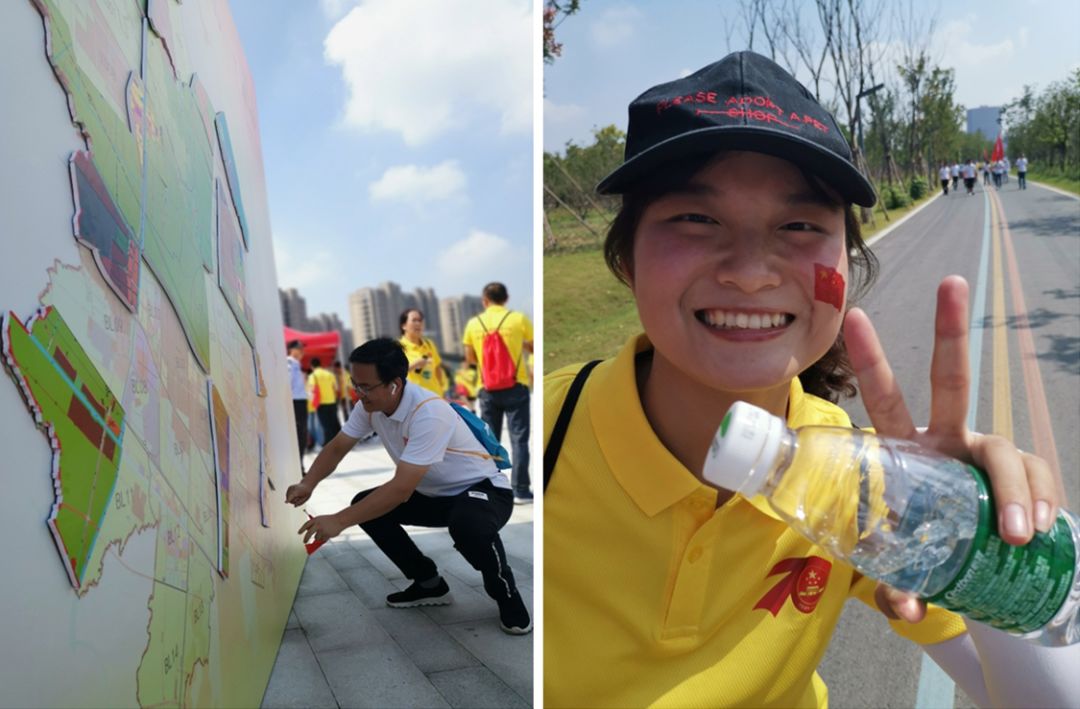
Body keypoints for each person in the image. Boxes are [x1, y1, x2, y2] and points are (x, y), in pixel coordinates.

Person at [543, 50, 1076, 708]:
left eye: (799, 225)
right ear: (627, 257)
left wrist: (979, 537)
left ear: (846, 267)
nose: (750, 270)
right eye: (696, 218)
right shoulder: (545, 436)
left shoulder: (856, 484)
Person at [286, 338, 531, 634]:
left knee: (468, 525)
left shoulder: (428, 412)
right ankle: (429, 583)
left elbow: (400, 489)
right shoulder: (370, 406)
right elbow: (339, 446)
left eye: (366, 386)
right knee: (366, 505)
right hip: (433, 493)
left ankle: (505, 592)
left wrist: (338, 522)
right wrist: (307, 482)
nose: (358, 394)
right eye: (355, 384)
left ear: (395, 384)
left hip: (482, 490)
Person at [463, 282, 535, 503]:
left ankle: (493, 488)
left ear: (485, 301)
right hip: (516, 386)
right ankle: (521, 489)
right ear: (506, 298)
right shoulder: (518, 319)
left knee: (488, 440)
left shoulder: (474, 324)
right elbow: (533, 348)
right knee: (519, 440)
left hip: (487, 389)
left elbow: (470, 359)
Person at [398, 308, 448, 397]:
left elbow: (437, 369)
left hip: (435, 396)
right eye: (414, 320)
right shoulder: (398, 348)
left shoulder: (429, 344)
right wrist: (414, 365)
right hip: (415, 400)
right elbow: (395, 374)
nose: (418, 323)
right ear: (404, 326)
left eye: (420, 320)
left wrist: (442, 391)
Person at [286, 339, 308, 474]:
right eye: (300, 349)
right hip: (295, 402)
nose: (302, 352)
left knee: (302, 435)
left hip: (300, 401)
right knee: (299, 435)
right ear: (292, 349)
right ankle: (298, 467)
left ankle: (299, 465)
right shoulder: (289, 363)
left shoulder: (296, 364)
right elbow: (288, 384)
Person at [307, 357, 341, 443]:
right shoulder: (329, 374)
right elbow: (335, 388)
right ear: (320, 365)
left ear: (312, 366)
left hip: (321, 403)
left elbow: (312, 391)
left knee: (325, 425)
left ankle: (329, 443)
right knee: (334, 423)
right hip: (332, 402)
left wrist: (312, 403)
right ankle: (340, 441)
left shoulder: (313, 376)